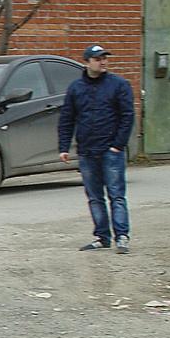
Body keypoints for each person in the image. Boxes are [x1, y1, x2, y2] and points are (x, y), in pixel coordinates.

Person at [57, 44, 136, 253]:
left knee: (116, 194)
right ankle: (102, 237)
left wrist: (118, 145)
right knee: (94, 197)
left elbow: (127, 116)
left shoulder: (118, 85)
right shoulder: (76, 88)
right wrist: (64, 146)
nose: (103, 62)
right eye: (98, 59)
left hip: (110, 151)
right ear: (87, 62)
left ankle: (122, 236)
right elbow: (67, 118)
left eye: (105, 58)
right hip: (87, 151)